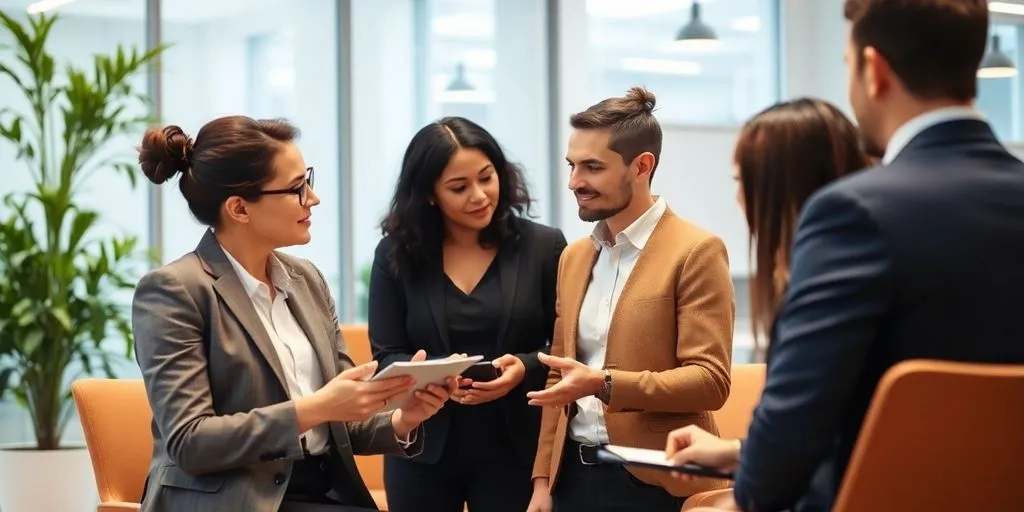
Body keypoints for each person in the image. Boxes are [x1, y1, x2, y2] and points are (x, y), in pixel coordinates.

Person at [665, 1, 1024, 510]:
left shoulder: (853, 213)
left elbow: (793, 438)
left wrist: (747, 488)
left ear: (873, 71)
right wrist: (744, 454)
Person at [133, 116, 454, 512]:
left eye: (309, 181)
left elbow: (341, 420)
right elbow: (191, 442)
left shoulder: (306, 280)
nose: (313, 199)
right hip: (232, 500)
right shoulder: (174, 291)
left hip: (319, 492)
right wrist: (316, 408)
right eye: (296, 189)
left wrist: (404, 417)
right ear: (239, 208)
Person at [526, 86, 736, 512]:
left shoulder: (696, 250)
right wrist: (543, 482)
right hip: (573, 480)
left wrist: (604, 383)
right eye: (571, 166)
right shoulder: (574, 257)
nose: (574, 182)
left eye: (592, 167)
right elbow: (558, 377)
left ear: (642, 166)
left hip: (656, 480)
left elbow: (710, 381)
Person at [368, 116, 567, 512]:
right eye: (459, 187)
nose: (479, 196)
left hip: (516, 451)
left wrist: (523, 368)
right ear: (428, 194)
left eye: (486, 177)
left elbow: (565, 346)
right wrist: (435, 375)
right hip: (423, 451)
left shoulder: (543, 247)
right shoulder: (395, 255)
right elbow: (387, 355)